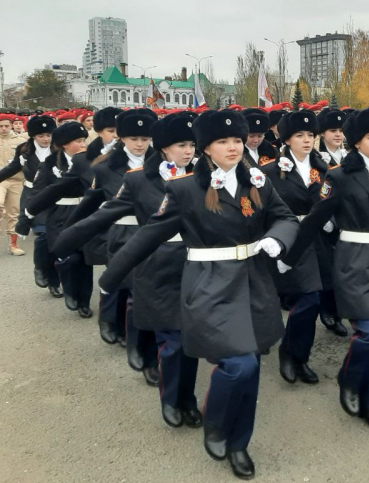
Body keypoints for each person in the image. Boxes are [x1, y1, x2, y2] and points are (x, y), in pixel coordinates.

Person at [97, 109, 298, 479]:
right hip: (209, 285)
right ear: (206, 148)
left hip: (253, 284)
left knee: (249, 366)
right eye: (223, 141)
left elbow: (285, 217)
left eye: (237, 140)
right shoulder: (185, 189)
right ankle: (218, 425)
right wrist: (111, 276)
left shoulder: (258, 181)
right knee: (239, 365)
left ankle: (239, 442)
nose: (233, 147)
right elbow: (149, 235)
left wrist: (276, 239)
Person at [53, 112, 203, 427]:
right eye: (180, 145)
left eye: (191, 144)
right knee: (174, 340)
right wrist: (65, 241)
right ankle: (172, 399)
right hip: (157, 266)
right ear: (163, 148)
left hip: (197, 269)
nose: (188, 151)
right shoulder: (138, 180)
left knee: (190, 340)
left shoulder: (207, 176)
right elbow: (103, 213)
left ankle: (188, 399)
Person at [283, 108, 369, 431]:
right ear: (357, 143)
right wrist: (288, 258)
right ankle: (349, 377)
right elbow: (315, 220)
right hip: (354, 262)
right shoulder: (339, 177)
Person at [87, 109, 159, 383]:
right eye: (133, 138)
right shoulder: (105, 167)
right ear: (122, 138)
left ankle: (148, 346)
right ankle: (137, 346)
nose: (140, 144)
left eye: (145, 138)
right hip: (123, 234)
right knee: (131, 290)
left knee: (149, 292)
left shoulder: (163, 162)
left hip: (154, 234)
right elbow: (93, 207)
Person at [262, 110, 328, 385]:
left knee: (313, 301)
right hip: (290, 241)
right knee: (307, 300)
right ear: (286, 140)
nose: (306, 140)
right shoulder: (268, 172)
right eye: (299, 135)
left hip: (319, 240)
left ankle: (299, 357)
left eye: (310, 135)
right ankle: (290, 354)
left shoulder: (323, 168)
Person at [23, 121, 94, 317]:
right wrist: (31, 215)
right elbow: (39, 192)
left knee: (84, 261)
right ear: (65, 144)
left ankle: (84, 302)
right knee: (68, 258)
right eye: (78, 141)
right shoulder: (51, 163)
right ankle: (69, 291)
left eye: (84, 140)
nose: (83, 145)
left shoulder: (92, 160)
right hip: (59, 216)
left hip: (84, 214)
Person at [0, 115, 61, 291]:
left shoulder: (58, 149)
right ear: (33, 135)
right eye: (41, 135)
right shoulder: (24, 149)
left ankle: (55, 282)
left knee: (57, 239)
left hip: (56, 197)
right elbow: (12, 168)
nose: (45, 139)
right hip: (33, 196)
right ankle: (41, 267)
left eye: (49, 135)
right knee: (43, 236)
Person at [314, 108, 349, 336]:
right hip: (326, 223)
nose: (338, 135)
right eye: (333, 131)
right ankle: (329, 312)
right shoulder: (316, 159)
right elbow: (315, 193)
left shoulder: (350, 155)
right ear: (322, 134)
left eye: (341, 131)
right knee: (328, 271)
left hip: (350, 221)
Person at [0, 113, 26, 255]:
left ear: (11, 126)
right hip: (0, 180)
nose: (3, 128)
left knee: (14, 212)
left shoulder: (21, 141)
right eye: (0, 126)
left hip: (16, 180)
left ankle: (13, 244)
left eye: (6, 126)